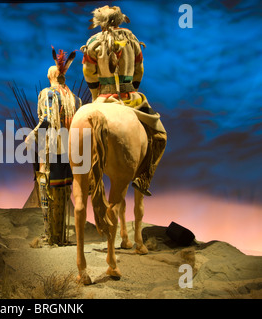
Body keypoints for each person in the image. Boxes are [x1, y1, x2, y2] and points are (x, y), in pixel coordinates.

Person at [80, 5, 167, 196]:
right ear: (119, 20)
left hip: (102, 98)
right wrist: (132, 90)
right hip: (129, 98)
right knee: (160, 135)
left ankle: (85, 178)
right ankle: (143, 178)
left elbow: (88, 72)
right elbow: (139, 70)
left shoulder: (92, 42)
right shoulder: (132, 39)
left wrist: (96, 95)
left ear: (100, 21)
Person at [26, 47, 81, 245]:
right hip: (71, 151)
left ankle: (51, 236)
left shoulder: (47, 93)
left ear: (51, 75)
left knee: (46, 184)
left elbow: (48, 118)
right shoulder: (76, 99)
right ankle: (61, 237)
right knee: (63, 189)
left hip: (51, 149)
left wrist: (32, 134)